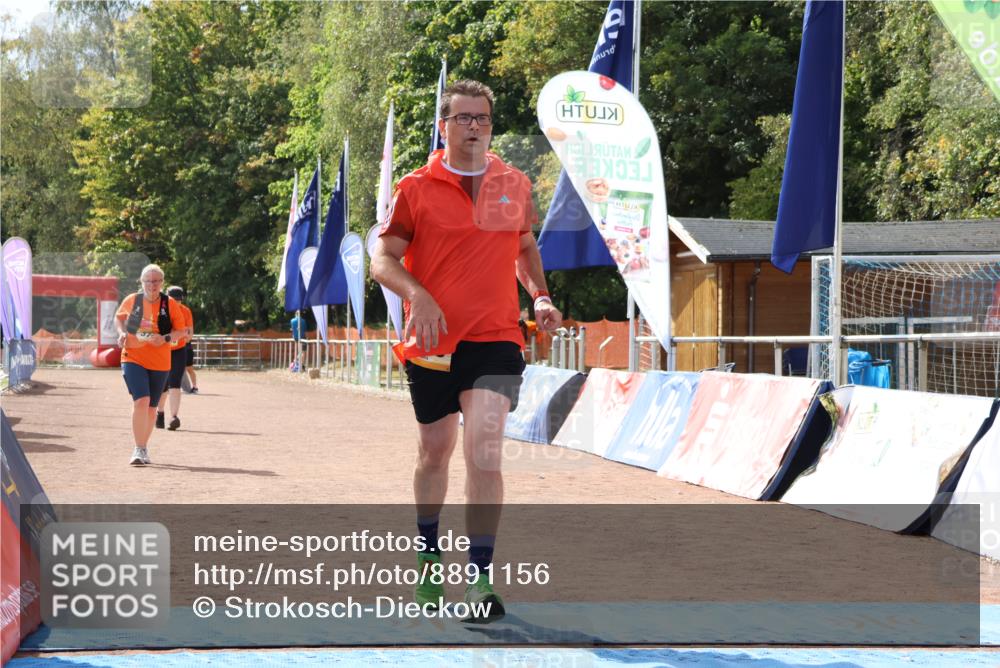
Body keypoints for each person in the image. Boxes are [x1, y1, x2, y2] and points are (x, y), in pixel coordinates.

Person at [370, 80, 562, 623]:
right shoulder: (417, 187)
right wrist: (419, 296)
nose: (474, 126)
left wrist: (541, 294)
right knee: (435, 451)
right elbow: (382, 261)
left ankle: (481, 578)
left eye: (483, 118)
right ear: (443, 125)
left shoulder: (513, 184)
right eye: (463, 118)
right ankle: (429, 555)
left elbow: (523, 246)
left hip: (496, 337)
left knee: (484, 448)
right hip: (431, 342)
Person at [115, 264, 186, 466]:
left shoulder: (170, 304)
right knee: (141, 401)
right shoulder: (132, 301)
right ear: (142, 282)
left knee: (152, 409)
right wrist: (121, 333)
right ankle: (138, 449)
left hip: (160, 361)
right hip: (133, 357)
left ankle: (143, 447)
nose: (152, 285)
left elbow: (180, 331)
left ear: (161, 283)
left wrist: (164, 338)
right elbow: (119, 318)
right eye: (148, 281)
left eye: (156, 281)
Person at [156, 286, 193, 430]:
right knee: (162, 385)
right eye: (173, 299)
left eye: (179, 300)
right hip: (161, 350)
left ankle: (174, 417)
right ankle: (160, 413)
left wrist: (180, 335)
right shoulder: (160, 310)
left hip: (178, 350)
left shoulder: (186, 311)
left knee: (175, 383)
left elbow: (189, 334)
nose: (176, 302)